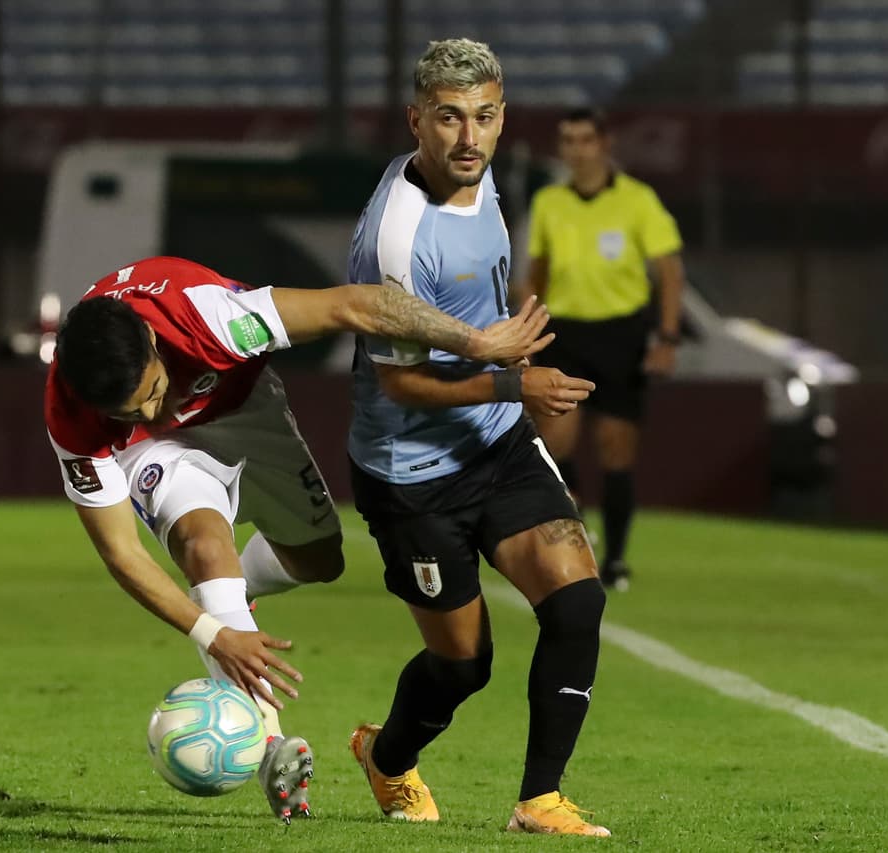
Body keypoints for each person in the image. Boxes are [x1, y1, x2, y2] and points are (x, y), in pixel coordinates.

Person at [44, 255, 551, 823]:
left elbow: (357, 304)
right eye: (129, 410)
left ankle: (225, 591)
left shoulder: (209, 318)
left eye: (155, 390)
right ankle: (267, 747)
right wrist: (213, 632)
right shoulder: (71, 414)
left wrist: (476, 344)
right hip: (151, 455)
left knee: (318, 559)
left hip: (241, 405)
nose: (153, 411)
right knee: (204, 546)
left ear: (154, 342)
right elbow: (122, 553)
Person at [345, 40, 611, 838]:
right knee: (463, 664)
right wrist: (513, 382)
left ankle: (540, 800)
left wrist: (507, 379)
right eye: (449, 118)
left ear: (501, 118)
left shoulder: (483, 176)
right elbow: (401, 385)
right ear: (415, 121)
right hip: (412, 473)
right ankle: (386, 756)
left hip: (496, 443)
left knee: (578, 599)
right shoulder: (395, 241)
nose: (469, 137)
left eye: (484, 117)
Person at [520, 107, 687, 591]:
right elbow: (537, 271)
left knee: (616, 448)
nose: (576, 150)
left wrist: (667, 337)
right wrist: (526, 328)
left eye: (585, 140)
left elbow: (669, 271)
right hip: (565, 333)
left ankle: (615, 559)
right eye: (568, 141)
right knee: (555, 443)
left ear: (604, 144)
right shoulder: (549, 202)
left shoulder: (637, 200)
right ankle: (573, 526)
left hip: (621, 335)